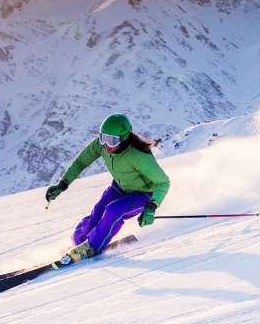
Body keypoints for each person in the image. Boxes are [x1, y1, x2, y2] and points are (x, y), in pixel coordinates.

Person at [45, 113, 170, 263]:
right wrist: (62, 184)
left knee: (114, 210)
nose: (105, 144)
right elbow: (81, 162)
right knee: (96, 214)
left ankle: (92, 247)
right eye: (103, 137)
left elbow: (163, 182)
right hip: (120, 186)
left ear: (124, 139)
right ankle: (82, 242)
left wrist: (151, 206)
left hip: (144, 193)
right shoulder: (102, 145)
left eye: (111, 140)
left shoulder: (138, 156)